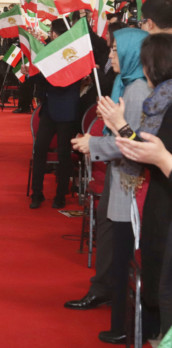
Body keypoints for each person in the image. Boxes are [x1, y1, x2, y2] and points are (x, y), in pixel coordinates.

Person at [70, 28, 150, 345]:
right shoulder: (128, 83)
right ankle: (110, 301)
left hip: (130, 182)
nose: (111, 55)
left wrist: (95, 143)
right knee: (113, 244)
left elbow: (130, 142)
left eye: (117, 50)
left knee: (122, 253)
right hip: (120, 179)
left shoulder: (138, 90)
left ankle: (122, 325)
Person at [101, 33, 172, 340]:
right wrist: (121, 126)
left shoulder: (163, 101)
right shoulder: (161, 99)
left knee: (162, 292)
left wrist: (120, 127)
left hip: (164, 205)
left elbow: (147, 151)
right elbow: (144, 148)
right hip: (160, 200)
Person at [29, 18, 80, 209]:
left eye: (53, 32)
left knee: (64, 154)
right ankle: (37, 193)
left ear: (57, 34)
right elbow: (40, 78)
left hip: (67, 110)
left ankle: (60, 195)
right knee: (39, 149)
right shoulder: (48, 51)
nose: (52, 35)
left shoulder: (75, 53)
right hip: (50, 109)